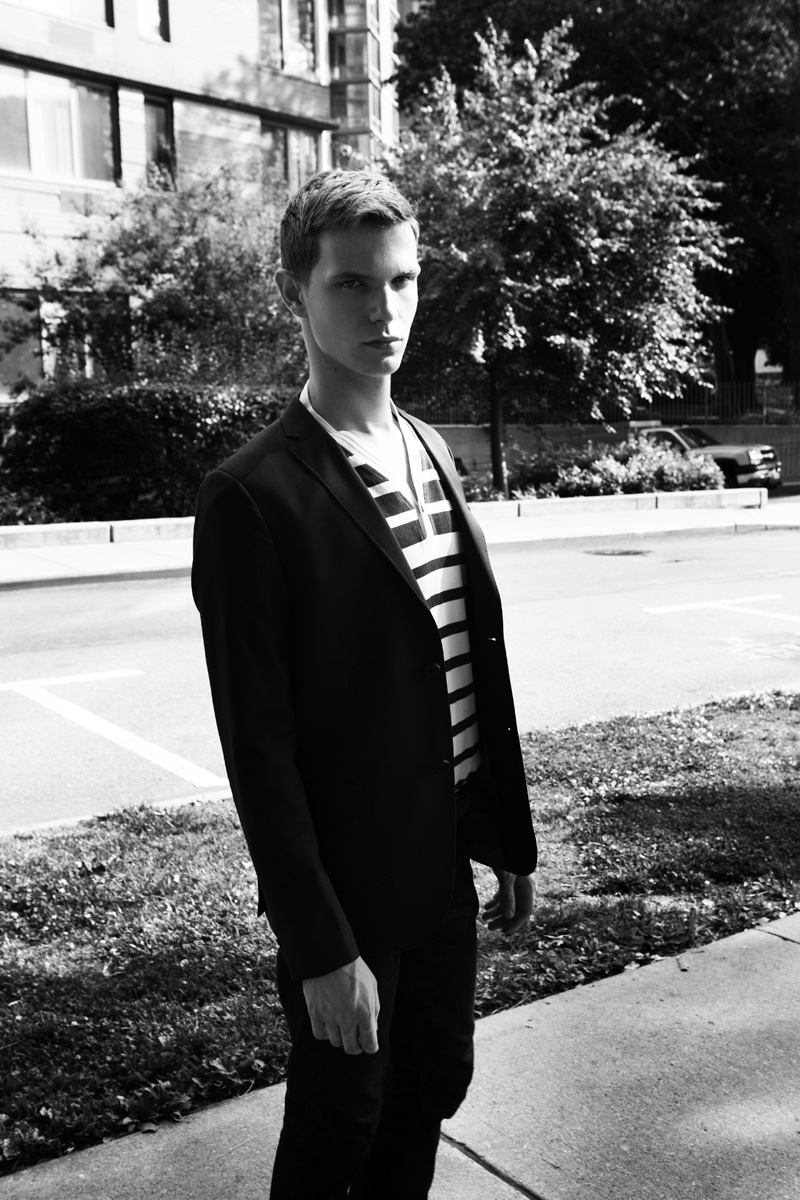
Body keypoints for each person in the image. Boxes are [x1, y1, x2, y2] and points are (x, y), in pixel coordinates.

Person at [191, 168, 537, 1200]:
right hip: (349, 884)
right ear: (295, 294)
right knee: (339, 1123)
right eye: (350, 283)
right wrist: (318, 947)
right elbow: (258, 749)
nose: (383, 309)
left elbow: (465, 658)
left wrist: (501, 831)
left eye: (401, 281)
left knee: (430, 1086)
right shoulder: (252, 495)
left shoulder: (428, 449)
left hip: (444, 861)